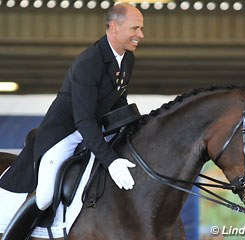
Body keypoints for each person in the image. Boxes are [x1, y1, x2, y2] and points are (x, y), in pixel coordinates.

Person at [0, 3, 144, 239]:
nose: (141, 35)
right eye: (135, 28)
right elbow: (83, 121)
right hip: (65, 132)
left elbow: (118, 100)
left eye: (141, 28)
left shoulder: (127, 59)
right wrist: (111, 161)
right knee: (45, 194)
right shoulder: (90, 62)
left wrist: (135, 125)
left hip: (92, 129)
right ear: (114, 27)